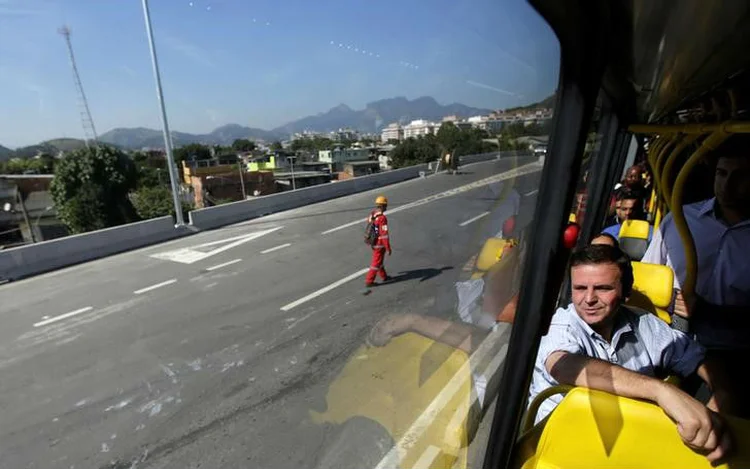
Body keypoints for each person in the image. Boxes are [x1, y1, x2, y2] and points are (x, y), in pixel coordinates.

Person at [529, 244, 731, 463]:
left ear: (626, 291)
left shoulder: (646, 324)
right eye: (579, 288)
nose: (588, 299)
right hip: (560, 450)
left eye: (602, 288)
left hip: (632, 446)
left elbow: (701, 358)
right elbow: (563, 364)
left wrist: (722, 395)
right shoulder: (561, 324)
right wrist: (660, 391)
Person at [641, 134, 750, 416]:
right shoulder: (680, 220)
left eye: (740, 176)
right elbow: (648, 279)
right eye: (721, 173)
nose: (727, 185)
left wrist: (706, 310)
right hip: (672, 334)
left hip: (734, 350)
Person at [365, 195, 392, 287]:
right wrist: (388, 247)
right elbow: (384, 234)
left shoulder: (373, 214)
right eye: (385, 205)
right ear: (382, 206)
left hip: (373, 241)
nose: (386, 207)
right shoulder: (382, 218)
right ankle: (369, 280)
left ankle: (384, 276)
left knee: (379, 260)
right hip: (379, 244)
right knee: (376, 262)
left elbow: (369, 222)